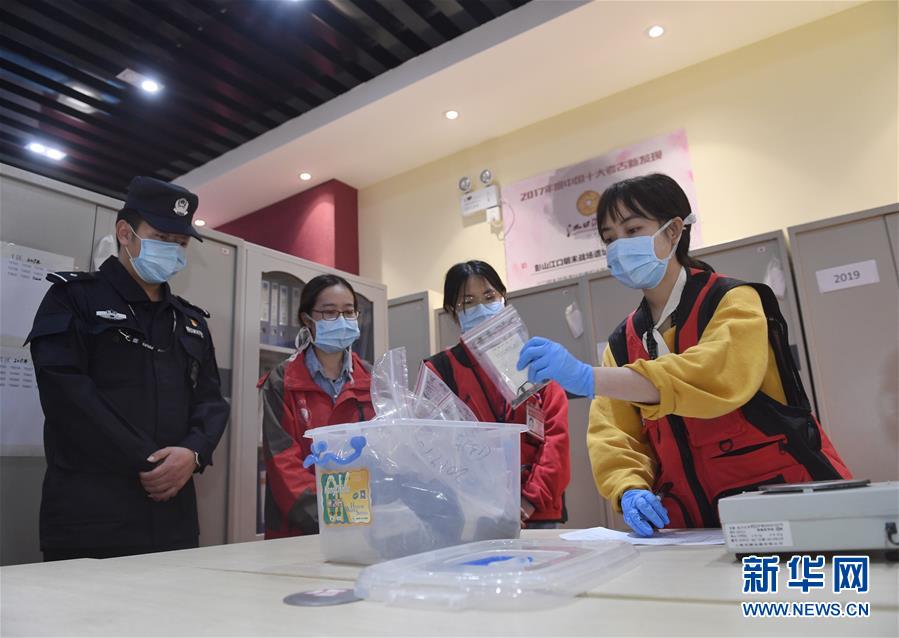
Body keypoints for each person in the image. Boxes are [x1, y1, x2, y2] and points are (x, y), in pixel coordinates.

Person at [517, 173, 851, 536]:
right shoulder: (622, 342)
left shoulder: (732, 301)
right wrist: (628, 487)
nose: (619, 246)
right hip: (692, 526)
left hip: (783, 503)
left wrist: (588, 378)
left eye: (633, 230)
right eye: (609, 239)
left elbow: (713, 375)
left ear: (674, 231)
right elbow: (613, 433)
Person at [27, 176, 229, 560]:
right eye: (162, 238)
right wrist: (150, 459)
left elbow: (211, 400)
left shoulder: (189, 321)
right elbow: (66, 394)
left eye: (180, 243)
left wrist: (193, 452)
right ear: (125, 233)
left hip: (173, 517)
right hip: (92, 516)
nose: (173, 250)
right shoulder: (74, 299)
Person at [424, 261, 570, 529]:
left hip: (537, 512)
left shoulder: (536, 359)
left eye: (489, 296)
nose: (481, 307)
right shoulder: (440, 370)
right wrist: (481, 504)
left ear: (504, 298)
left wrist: (527, 503)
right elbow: (435, 447)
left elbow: (555, 439)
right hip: (474, 514)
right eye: (468, 302)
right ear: (452, 311)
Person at [259, 274, 374, 538]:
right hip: (301, 527)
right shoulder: (282, 380)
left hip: (364, 522)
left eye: (348, 312)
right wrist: (333, 517)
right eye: (329, 312)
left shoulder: (371, 378)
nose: (341, 320)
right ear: (307, 319)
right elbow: (283, 462)